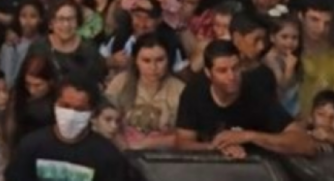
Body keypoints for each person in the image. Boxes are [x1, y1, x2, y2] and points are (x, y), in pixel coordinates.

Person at [175, 40, 316, 158]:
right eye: (222, 71)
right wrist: (217, 148)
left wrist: (249, 136)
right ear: (208, 73)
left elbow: (305, 144)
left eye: (235, 68)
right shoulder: (194, 92)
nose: (231, 76)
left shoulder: (257, 94)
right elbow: (183, 142)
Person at [6, 76, 131, 181]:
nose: (71, 114)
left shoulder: (107, 155)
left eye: (80, 109)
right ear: (55, 104)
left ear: (92, 113)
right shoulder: (30, 146)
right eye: (65, 106)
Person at [104, 34, 185, 150]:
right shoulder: (120, 82)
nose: (153, 67)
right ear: (135, 61)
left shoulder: (180, 90)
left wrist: (147, 144)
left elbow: (187, 136)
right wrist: (126, 148)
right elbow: (104, 121)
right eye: (146, 61)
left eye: (160, 60)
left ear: (169, 60)